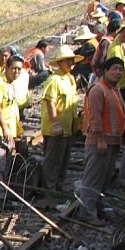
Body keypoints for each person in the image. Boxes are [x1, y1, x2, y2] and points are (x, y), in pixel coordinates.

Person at [77, 57, 125, 225]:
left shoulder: (114, 90)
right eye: (114, 69)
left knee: (104, 178)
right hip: (100, 141)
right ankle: (86, 212)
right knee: (93, 177)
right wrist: (100, 139)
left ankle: (97, 208)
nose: (118, 72)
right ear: (106, 71)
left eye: (121, 70)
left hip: (113, 142)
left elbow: (122, 116)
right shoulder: (98, 90)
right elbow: (95, 117)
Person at [0, 54, 25, 204]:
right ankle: (0, 198)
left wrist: (17, 130)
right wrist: (5, 128)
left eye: (19, 69)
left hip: (7, 132)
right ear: (6, 67)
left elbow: (12, 110)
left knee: (4, 165)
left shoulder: (10, 85)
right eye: (14, 68)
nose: (16, 72)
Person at [39, 45, 80, 192]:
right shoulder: (54, 80)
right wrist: (55, 123)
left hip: (68, 127)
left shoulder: (70, 79)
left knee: (63, 159)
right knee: (53, 160)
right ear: (60, 62)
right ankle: (49, 188)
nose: (71, 64)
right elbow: (50, 101)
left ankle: (58, 185)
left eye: (72, 61)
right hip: (55, 129)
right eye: (67, 61)